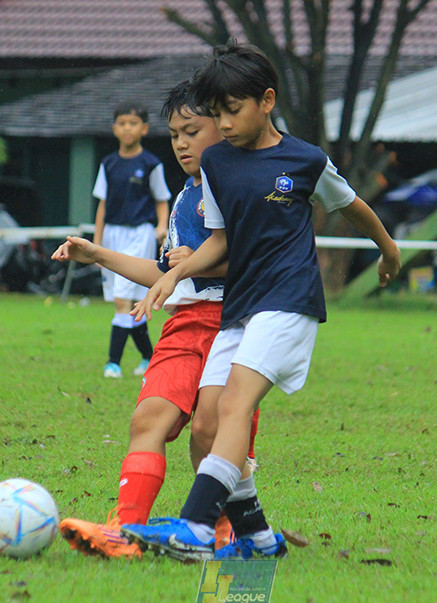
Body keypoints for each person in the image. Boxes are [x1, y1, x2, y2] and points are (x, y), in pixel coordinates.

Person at [120, 42, 402, 561]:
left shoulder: (304, 159)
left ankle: (196, 528)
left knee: (233, 407)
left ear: (266, 100)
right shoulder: (220, 164)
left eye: (232, 109)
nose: (223, 123)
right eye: (217, 113)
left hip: (289, 300)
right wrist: (172, 274)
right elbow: (220, 240)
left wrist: (388, 250)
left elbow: (353, 207)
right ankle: (259, 538)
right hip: (240, 307)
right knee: (206, 426)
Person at [51, 81, 259, 559]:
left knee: (210, 431)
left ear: (225, 128)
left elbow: (260, 257)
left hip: (238, 325)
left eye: (192, 131)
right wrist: (96, 253)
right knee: (148, 417)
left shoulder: (249, 188)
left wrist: (199, 262)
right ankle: (124, 531)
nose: (181, 143)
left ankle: (225, 530)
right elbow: (163, 271)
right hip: (185, 323)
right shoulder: (187, 198)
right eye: (175, 135)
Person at [92, 102, 172, 379]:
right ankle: (149, 356)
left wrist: (161, 227)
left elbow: (162, 200)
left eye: (133, 123)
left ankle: (112, 362)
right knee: (133, 301)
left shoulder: (151, 164)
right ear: (115, 128)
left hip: (140, 234)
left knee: (122, 300)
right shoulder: (109, 163)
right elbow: (102, 205)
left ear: (144, 129)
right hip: (113, 234)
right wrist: (97, 243)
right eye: (122, 123)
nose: (127, 128)